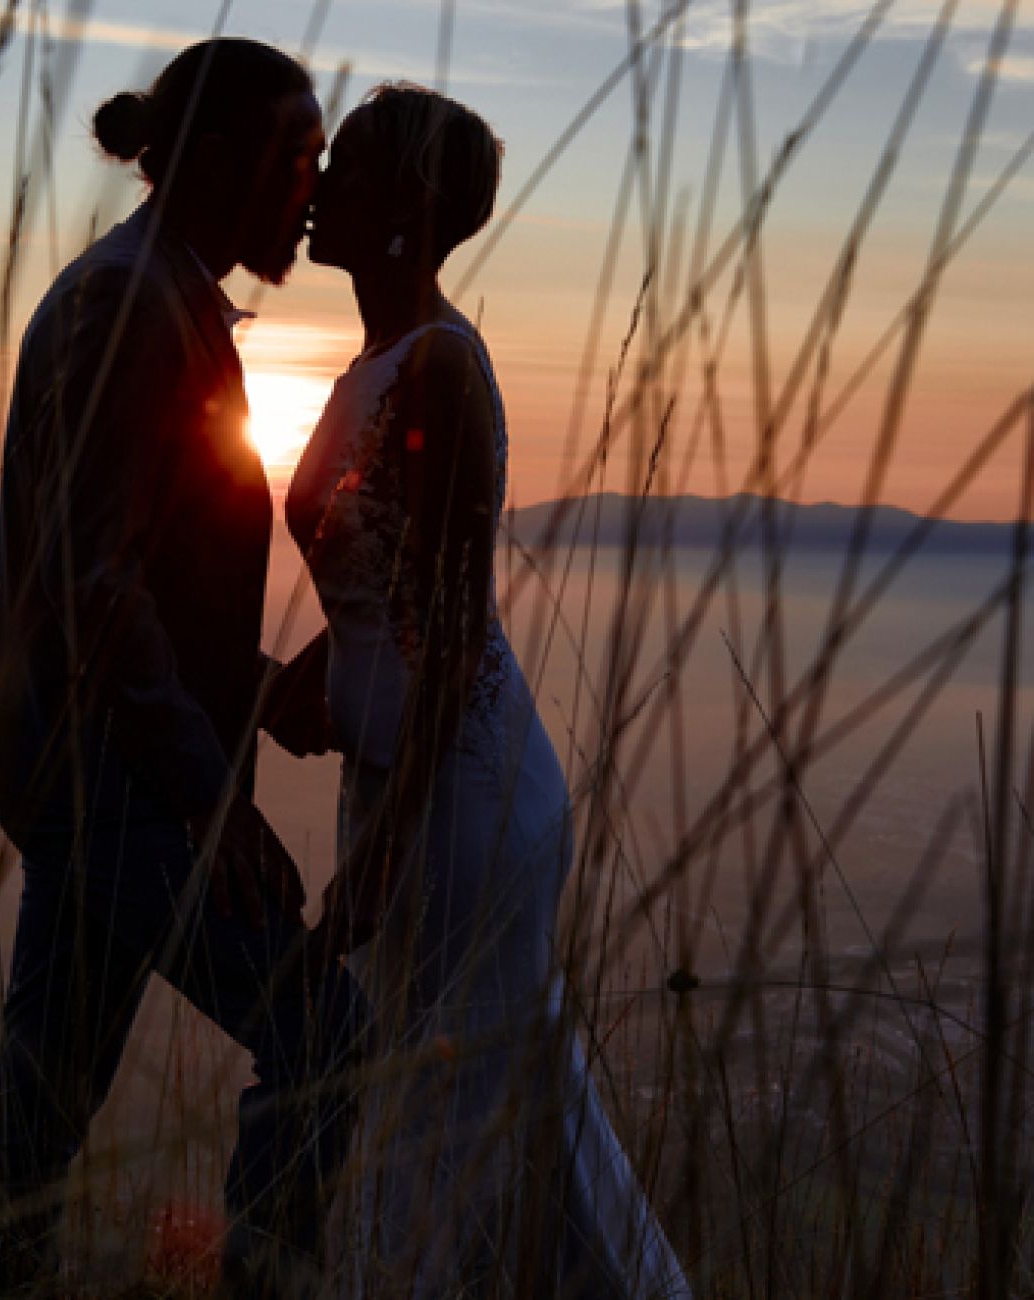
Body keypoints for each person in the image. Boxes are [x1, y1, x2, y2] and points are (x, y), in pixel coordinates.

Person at [0, 37, 368, 1300]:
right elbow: (96, 586)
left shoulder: (152, 291)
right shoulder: (132, 304)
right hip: (121, 783)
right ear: (227, 160)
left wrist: (256, 692)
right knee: (328, 1039)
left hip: (102, 770)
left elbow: (137, 577)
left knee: (44, 1093)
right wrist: (207, 793)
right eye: (298, 158)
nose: (315, 185)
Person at [284, 83, 692, 1298]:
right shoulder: (379, 358)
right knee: (503, 1099)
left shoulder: (440, 373)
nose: (314, 188)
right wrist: (253, 696)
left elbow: (452, 645)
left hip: (459, 805)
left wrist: (380, 854)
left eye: (343, 169)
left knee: (439, 1118)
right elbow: (374, 604)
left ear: (407, 205)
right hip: (413, 792)